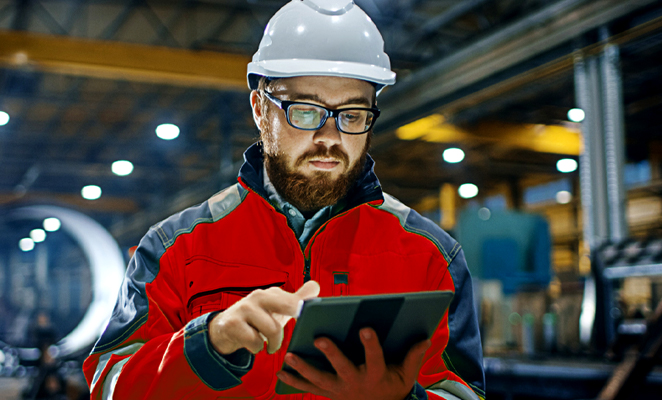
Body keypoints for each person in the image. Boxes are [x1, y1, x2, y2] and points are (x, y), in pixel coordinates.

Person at [83, 1, 485, 399]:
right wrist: (208, 342)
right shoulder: (176, 248)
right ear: (260, 109)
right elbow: (110, 385)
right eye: (306, 111)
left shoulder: (432, 256)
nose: (330, 137)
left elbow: (462, 393)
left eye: (352, 114)